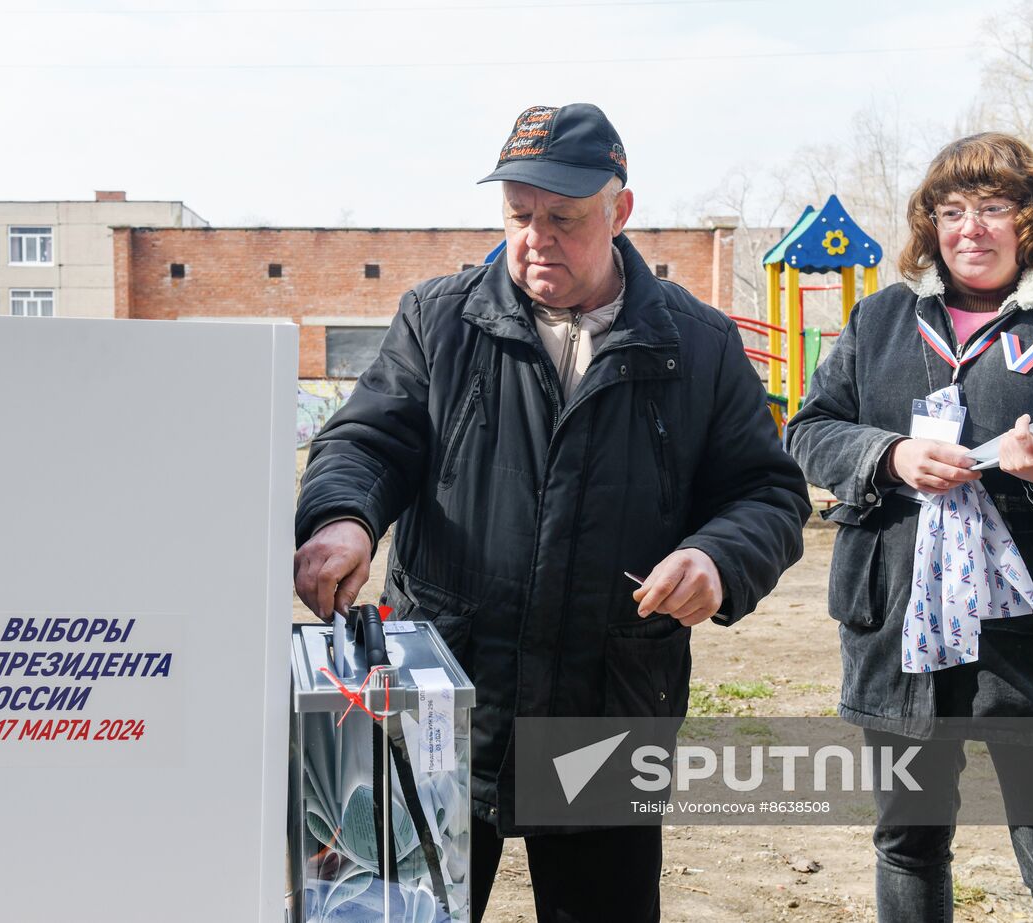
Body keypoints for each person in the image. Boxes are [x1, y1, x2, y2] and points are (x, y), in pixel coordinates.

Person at [294, 103, 810, 923]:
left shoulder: (699, 346)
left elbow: (768, 491)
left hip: (608, 704)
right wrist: (344, 518)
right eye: (520, 214)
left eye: (564, 218)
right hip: (442, 701)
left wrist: (717, 556)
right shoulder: (441, 319)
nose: (536, 237)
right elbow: (367, 443)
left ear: (621, 210)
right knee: (394, 911)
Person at [785, 132, 1033, 922]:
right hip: (899, 630)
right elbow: (810, 429)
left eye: (994, 208)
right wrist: (888, 455)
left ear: (1032, 219)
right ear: (930, 224)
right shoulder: (884, 316)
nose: (971, 229)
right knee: (908, 845)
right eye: (952, 210)